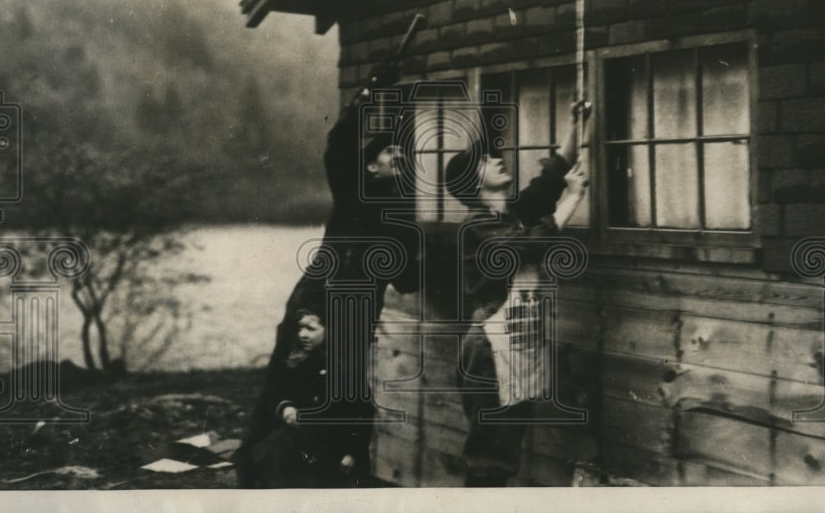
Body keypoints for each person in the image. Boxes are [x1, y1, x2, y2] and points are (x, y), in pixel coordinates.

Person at [236, 60, 420, 488]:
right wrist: (371, 93)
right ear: (371, 167)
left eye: (403, 153)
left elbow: (409, 280)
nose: (400, 157)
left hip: (355, 317)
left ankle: (332, 477)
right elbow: (338, 143)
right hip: (314, 303)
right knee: (288, 383)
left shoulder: (399, 218)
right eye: (391, 152)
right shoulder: (354, 190)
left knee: (347, 396)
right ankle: (259, 475)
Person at [446, 101, 590, 487]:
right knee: (489, 460)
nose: (497, 160)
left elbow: (549, 180)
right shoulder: (477, 228)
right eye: (485, 161)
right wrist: (573, 200)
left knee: (504, 452)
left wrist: (576, 125)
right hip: (489, 347)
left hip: (514, 341)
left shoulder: (509, 216)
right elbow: (526, 246)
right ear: (472, 185)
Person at [243, 308, 374, 488]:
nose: (302, 334)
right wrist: (286, 407)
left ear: (330, 330)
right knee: (260, 456)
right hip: (307, 441)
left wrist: (352, 454)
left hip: (338, 447)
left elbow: (363, 413)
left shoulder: (346, 367)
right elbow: (283, 391)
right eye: (300, 328)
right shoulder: (304, 362)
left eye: (311, 329)